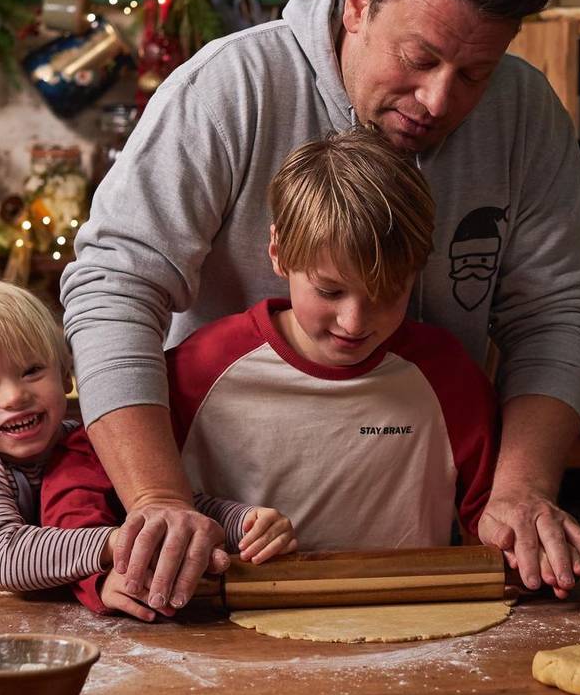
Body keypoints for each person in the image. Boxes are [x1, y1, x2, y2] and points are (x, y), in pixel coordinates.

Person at [61, 0, 580, 615]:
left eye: (474, 74)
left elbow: (555, 313)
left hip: (410, 539)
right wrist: (158, 500)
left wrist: (520, 489)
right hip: (215, 544)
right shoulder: (230, 88)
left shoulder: (527, 114)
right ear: (357, 4)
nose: (439, 101)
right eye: (421, 58)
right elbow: (114, 286)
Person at [43, 128, 499, 617]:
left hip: (414, 630)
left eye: (387, 294)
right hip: (225, 633)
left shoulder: (447, 376)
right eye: (329, 291)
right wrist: (101, 571)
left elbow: (494, 520)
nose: (354, 322)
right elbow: (79, 472)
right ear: (279, 253)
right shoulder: (207, 367)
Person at [0, 279, 286, 597]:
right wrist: (123, 542)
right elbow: (8, 556)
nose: (14, 396)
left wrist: (243, 523)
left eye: (31, 371)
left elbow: (178, 510)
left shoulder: (93, 442)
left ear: (66, 377)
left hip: (60, 619)